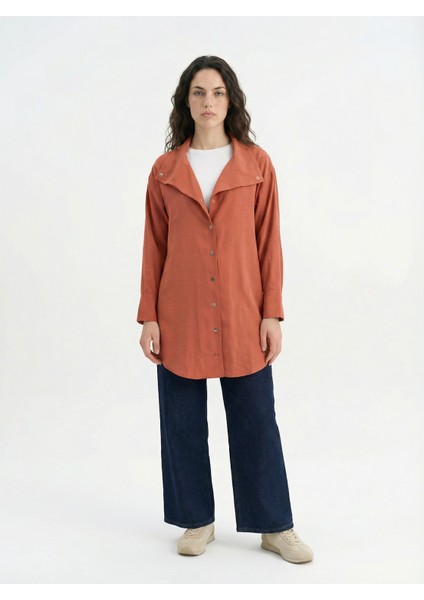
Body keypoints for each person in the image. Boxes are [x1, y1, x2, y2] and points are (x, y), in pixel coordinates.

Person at [136, 55, 313, 564]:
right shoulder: (165, 170)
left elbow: (269, 243)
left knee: (256, 421)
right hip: (180, 314)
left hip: (243, 312)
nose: (208, 101)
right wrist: (149, 315)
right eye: (198, 92)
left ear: (230, 99)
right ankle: (196, 520)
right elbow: (154, 246)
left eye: (217, 92)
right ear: (185, 102)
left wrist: (272, 312)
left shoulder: (256, 164)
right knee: (182, 423)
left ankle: (275, 527)